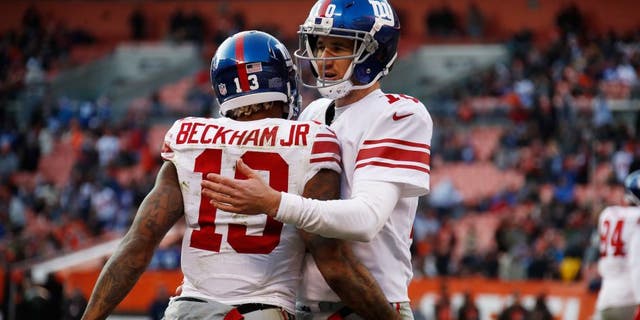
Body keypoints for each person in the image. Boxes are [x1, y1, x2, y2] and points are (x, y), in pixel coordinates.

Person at [81, 30, 397, 320]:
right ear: (283, 83)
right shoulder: (313, 140)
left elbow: (137, 246)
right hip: (260, 311)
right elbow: (335, 266)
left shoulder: (190, 136)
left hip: (187, 309)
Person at [201, 1, 433, 318]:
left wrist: (273, 202)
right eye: (320, 45)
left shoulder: (398, 114)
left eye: (338, 46)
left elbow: (365, 220)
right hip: (301, 305)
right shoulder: (312, 114)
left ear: (374, 52)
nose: (323, 58)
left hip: (370, 305)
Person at [595, 169, 640, 320]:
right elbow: (636, 264)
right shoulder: (635, 220)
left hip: (606, 299)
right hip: (630, 299)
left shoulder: (607, 214)